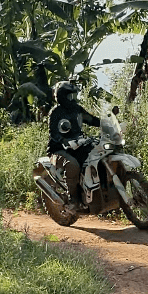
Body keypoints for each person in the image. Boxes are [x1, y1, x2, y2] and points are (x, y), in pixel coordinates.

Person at [47, 80, 100, 208]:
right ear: (61, 96)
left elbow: (91, 120)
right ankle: (73, 200)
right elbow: (53, 133)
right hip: (58, 150)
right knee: (72, 165)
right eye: (69, 95)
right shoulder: (56, 112)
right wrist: (64, 141)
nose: (72, 98)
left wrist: (108, 124)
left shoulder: (77, 109)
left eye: (73, 95)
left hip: (78, 146)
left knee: (97, 155)